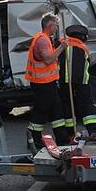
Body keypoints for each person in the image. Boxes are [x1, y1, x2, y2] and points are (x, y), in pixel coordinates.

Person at [26, 13, 69, 150]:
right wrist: (61, 48)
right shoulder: (42, 40)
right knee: (41, 111)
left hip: (48, 82)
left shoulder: (45, 39)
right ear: (50, 26)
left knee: (57, 110)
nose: (56, 28)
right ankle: (34, 139)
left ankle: (62, 139)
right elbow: (48, 59)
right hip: (42, 83)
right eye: (56, 26)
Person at [59, 25, 96, 137]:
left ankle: (70, 133)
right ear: (83, 37)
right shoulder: (83, 47)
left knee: (67, 105)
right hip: (82, 81)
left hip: (65, 81)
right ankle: (93, 131)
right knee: (87, 105)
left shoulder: (62, 43)